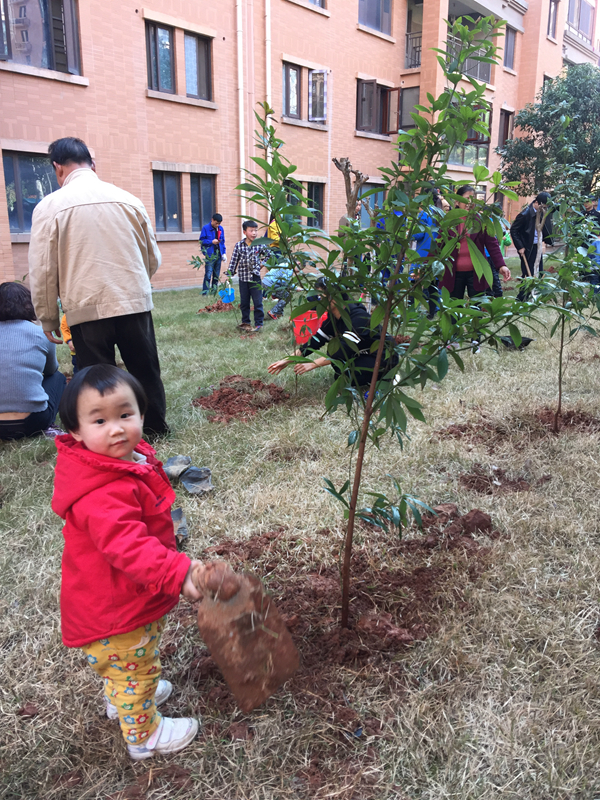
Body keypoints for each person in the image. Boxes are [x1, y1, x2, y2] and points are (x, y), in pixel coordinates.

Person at [53, 364, 207, 760]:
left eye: (125, 414)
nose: (116, 429)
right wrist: (178, 572)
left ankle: (120, 696)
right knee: (133, 666)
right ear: (75, 431)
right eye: (99, 421)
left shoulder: (119, 463)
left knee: (128, 663)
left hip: (120, 599)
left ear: (142, 412)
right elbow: (129, 547)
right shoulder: (100, 492)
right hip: (115, 610)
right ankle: (144, 736)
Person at [28, 137, 169, 438]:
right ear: (92, 164)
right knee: (145, 368)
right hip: (132, 302)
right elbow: (152, 258)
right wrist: (135, 287)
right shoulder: (129, 199)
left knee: (97, 377)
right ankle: (155, 427)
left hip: (85, 307)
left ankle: (108, 435)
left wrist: (48, 318)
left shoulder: (48, 207)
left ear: (58, 168)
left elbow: (43, 271)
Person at [268, 278, 398, 389]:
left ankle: (388, 377)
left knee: (347, 374)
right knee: (340, 371)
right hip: (365, 353)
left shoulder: (357, 318)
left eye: (321, 297)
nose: (319, 301)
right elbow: (314, 342)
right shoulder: (333, 318)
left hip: (384, 357)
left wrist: (312, 364)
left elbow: (342, 351)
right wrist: (287, 360)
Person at [0, 282, 66, 441]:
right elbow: (51, 370)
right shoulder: (41, 333)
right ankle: (49, 425)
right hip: (33, 422)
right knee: (58, 377)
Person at [439, 185, 511, 301]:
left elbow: (492, 244)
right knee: (453, 306)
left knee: (477, 306)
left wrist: (501, 265)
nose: (470, 202)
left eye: (473, 199)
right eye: (467, 198)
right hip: (453, 273)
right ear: (457, 202)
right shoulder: (449, 221)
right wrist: (426, 266)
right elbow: (438, 244)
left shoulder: (481, 220)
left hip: (476, 273)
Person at [223, 220, 269, 332]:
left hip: (255, 278)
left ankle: (259, 323)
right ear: (244, 232)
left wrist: (262, 264)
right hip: (243, 279)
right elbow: (234, 260)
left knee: (258, 302)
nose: (254, 233)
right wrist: (230, 273)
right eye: (251, 230)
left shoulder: (259, 244)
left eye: (255, 230)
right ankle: (246, 322)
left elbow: (269, 255)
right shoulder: (239, 245)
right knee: (244, 302)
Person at [510, 191, 553, 299]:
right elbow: (513, 230)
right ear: (537, 203)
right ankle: (521, 298)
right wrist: (520, 246)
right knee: (528, 273)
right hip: (527, 248)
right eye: (543, 206)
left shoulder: (542, 212)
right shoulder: (525, 215)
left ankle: (535, 295)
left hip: (537, 247)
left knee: (539, 271)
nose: (545, 209)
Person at [199, 213, 226, 295]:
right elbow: (201, 241)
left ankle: (214, 292)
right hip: (210, 255)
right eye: (216, 223)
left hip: (218, 254)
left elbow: (222, 242)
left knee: (216, 275)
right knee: (208, 274)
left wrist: (224, 253)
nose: (217, 225)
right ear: (212, 220)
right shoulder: (205, 228)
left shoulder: (221, 229)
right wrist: (211, 242)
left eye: (219, 223)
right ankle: (205, 292)